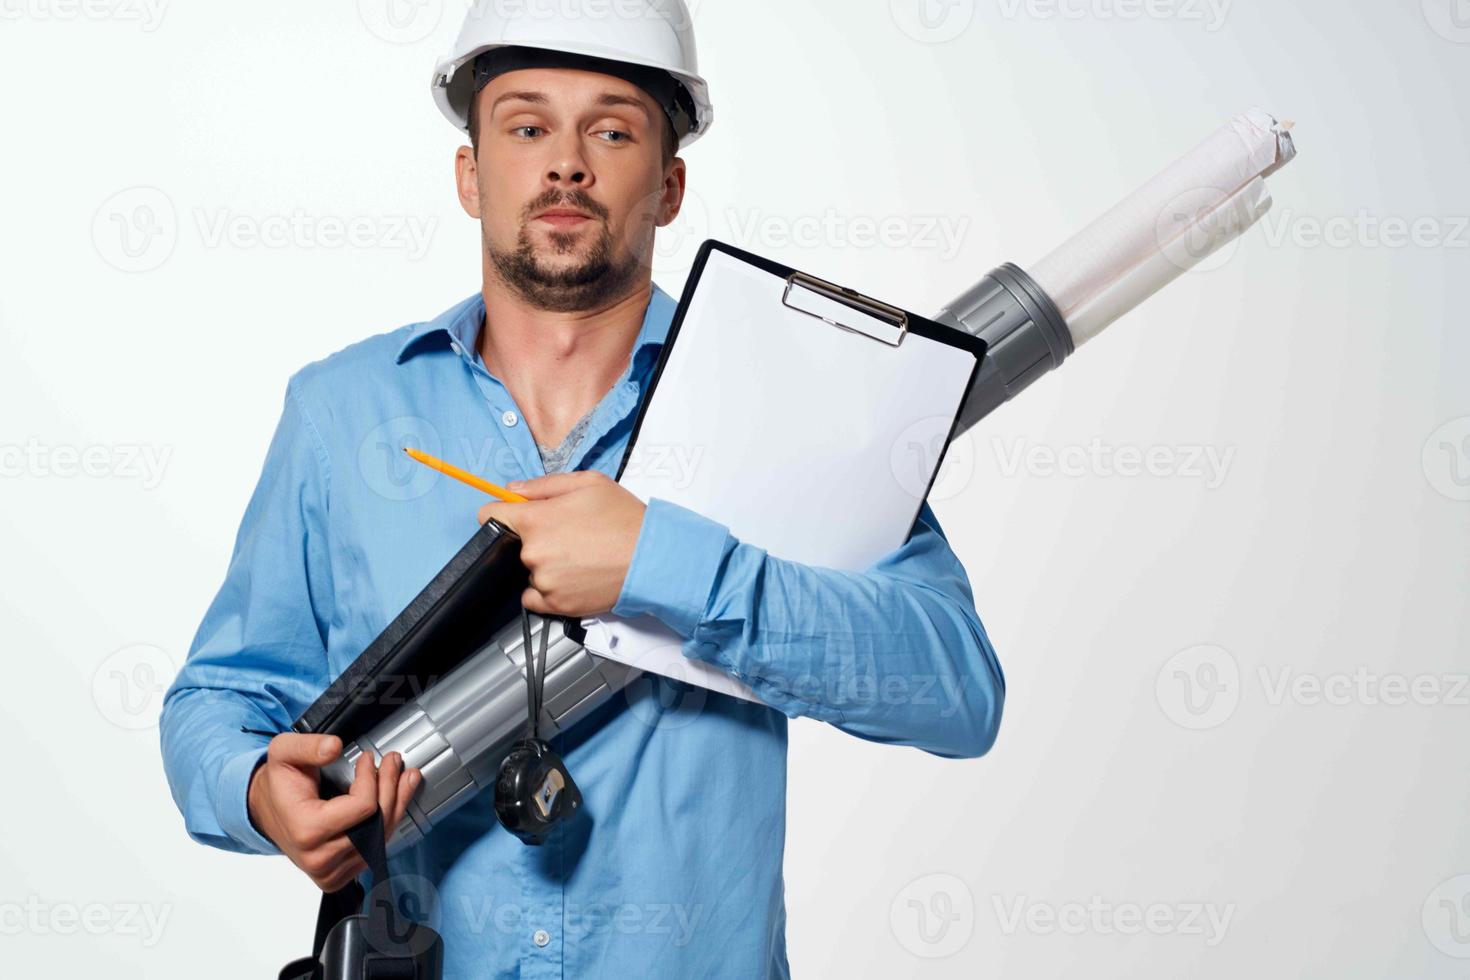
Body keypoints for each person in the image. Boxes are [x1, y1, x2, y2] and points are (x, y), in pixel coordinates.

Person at [159, 2, 1005, 976]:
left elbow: (955, 688)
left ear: (671, 184)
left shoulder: (783, 415)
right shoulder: (340, 414)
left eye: (611, 129)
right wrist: (257, 786)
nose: (566, 163)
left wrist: (667, 562)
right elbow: (217, 698)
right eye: (527, 126)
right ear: (471, 175)